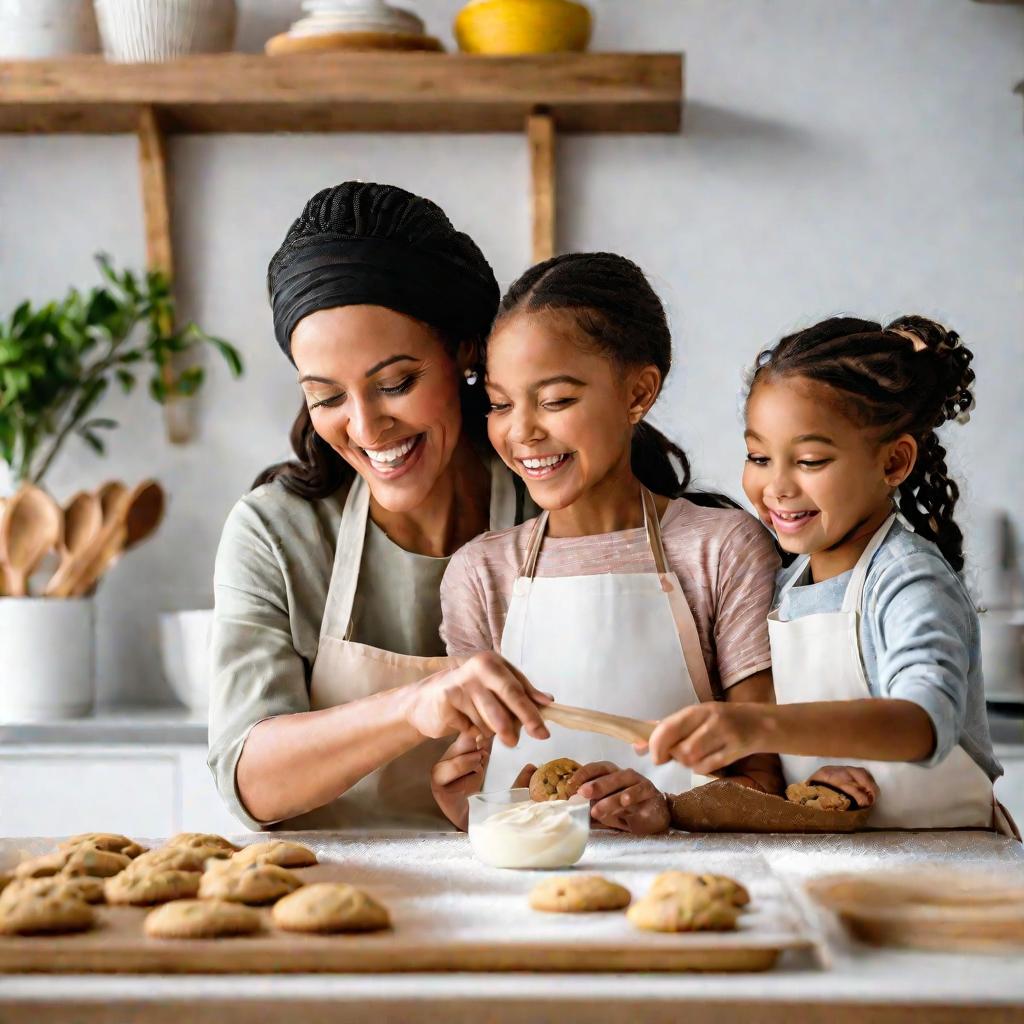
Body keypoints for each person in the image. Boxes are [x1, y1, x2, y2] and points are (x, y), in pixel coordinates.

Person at [207, 182, 551, 831]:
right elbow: (247, 779)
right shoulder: (277, 532)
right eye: (327, 396)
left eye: (395, 384)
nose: (366, 428)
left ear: (464, 352)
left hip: (537, 893)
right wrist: (414, 708)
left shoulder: (553, 508)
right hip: (330, 903)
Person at [432, 252, 782, 833]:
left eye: (556, 400)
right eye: (499, 403)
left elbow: (766, 781)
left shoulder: (719, 550)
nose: (521, 431)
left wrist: (667, 810)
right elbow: (491, 786)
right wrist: (468, 801)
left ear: (638, 393)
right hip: (532, 898)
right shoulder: (480, 573)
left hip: (690, 892)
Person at [647, 316, 1014, 834]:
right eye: (758, 456)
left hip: (953, 871)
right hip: (847, 870)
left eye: (811, 460)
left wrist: (758, 726)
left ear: (893, 462)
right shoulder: (786, 587)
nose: (776, 486)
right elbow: (825, 748)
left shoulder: (909, 582)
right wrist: (817, 780)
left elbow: (924, 723)